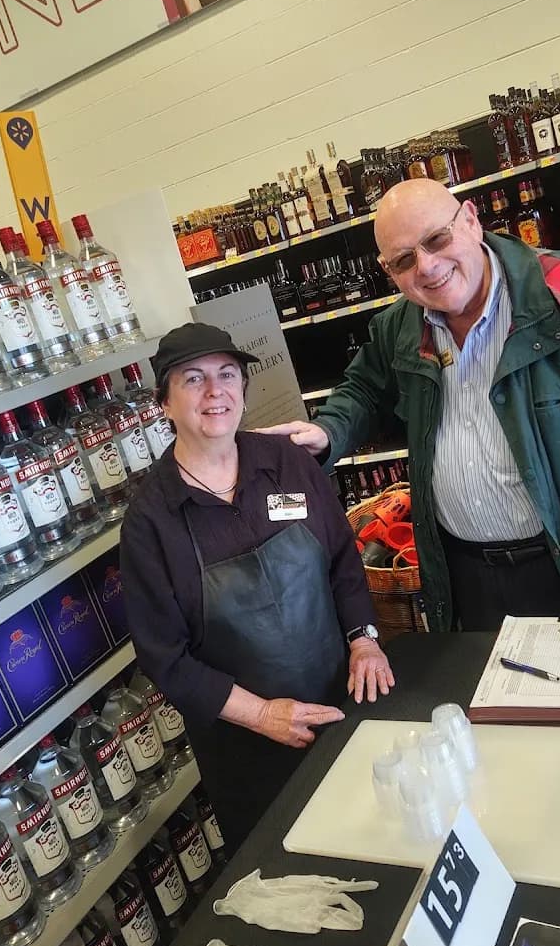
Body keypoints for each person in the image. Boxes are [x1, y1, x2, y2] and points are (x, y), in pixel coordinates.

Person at [261, 179, 560, 641]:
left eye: (437, 239)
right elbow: (363, 390)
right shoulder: (399, 326)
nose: (427, 266)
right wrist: (328, 432)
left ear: (472, 220)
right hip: (467, 580)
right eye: (403, 260)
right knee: (494, 711)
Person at [120, 322, 394, 848]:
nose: (215, 391)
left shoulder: (287, 462)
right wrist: (263, 714)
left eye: (227, 374)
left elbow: (341, 558)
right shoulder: (152, 520)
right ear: (164, 403)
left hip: (342, 700)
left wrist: (364, 639)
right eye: (193, 379)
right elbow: (165, 659)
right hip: (247, 748)